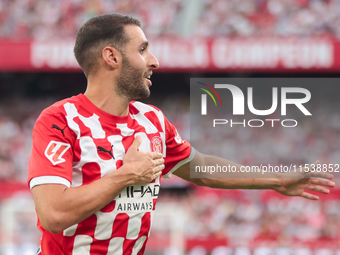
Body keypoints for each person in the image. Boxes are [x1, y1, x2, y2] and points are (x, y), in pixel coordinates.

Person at [27, 13, 335, 255]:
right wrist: (126, 175)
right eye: (143, 49)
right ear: (112, 57)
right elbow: (53, 213)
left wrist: (278, 180)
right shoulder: (60, 120)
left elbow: (201, 169)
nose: (154, 61)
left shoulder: (152, 120)